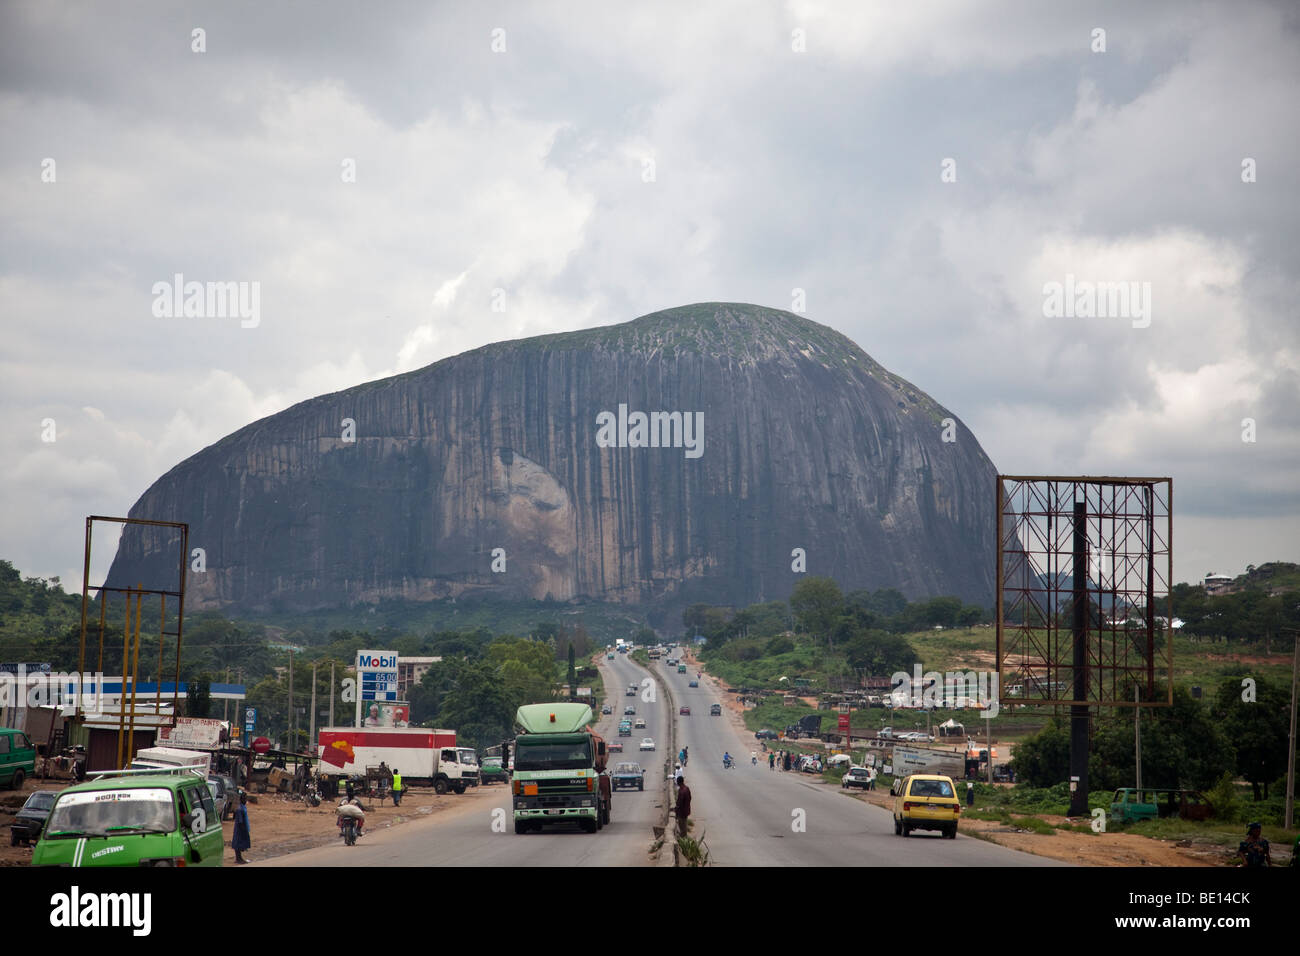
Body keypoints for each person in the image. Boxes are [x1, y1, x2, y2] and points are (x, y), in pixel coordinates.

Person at [231, 791, 251, 864]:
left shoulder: (243, 807)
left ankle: (239, 858)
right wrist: (244, 830)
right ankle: (238, 859)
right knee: (238, 843)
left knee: (240, 843)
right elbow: (240, 821)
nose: (245, 800)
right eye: (244, 799)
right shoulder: (240, 809)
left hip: (242, 827)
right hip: (240, 829)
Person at [674, 774, 692, 839]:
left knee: (682, 830)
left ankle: (683, 842)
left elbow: (679, 803)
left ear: (679, 782)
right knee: (684, 828)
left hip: (682, 813)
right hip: (686, 812)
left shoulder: (681, 791)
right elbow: (690, 798)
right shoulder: (687, 788)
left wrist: (676, 811)